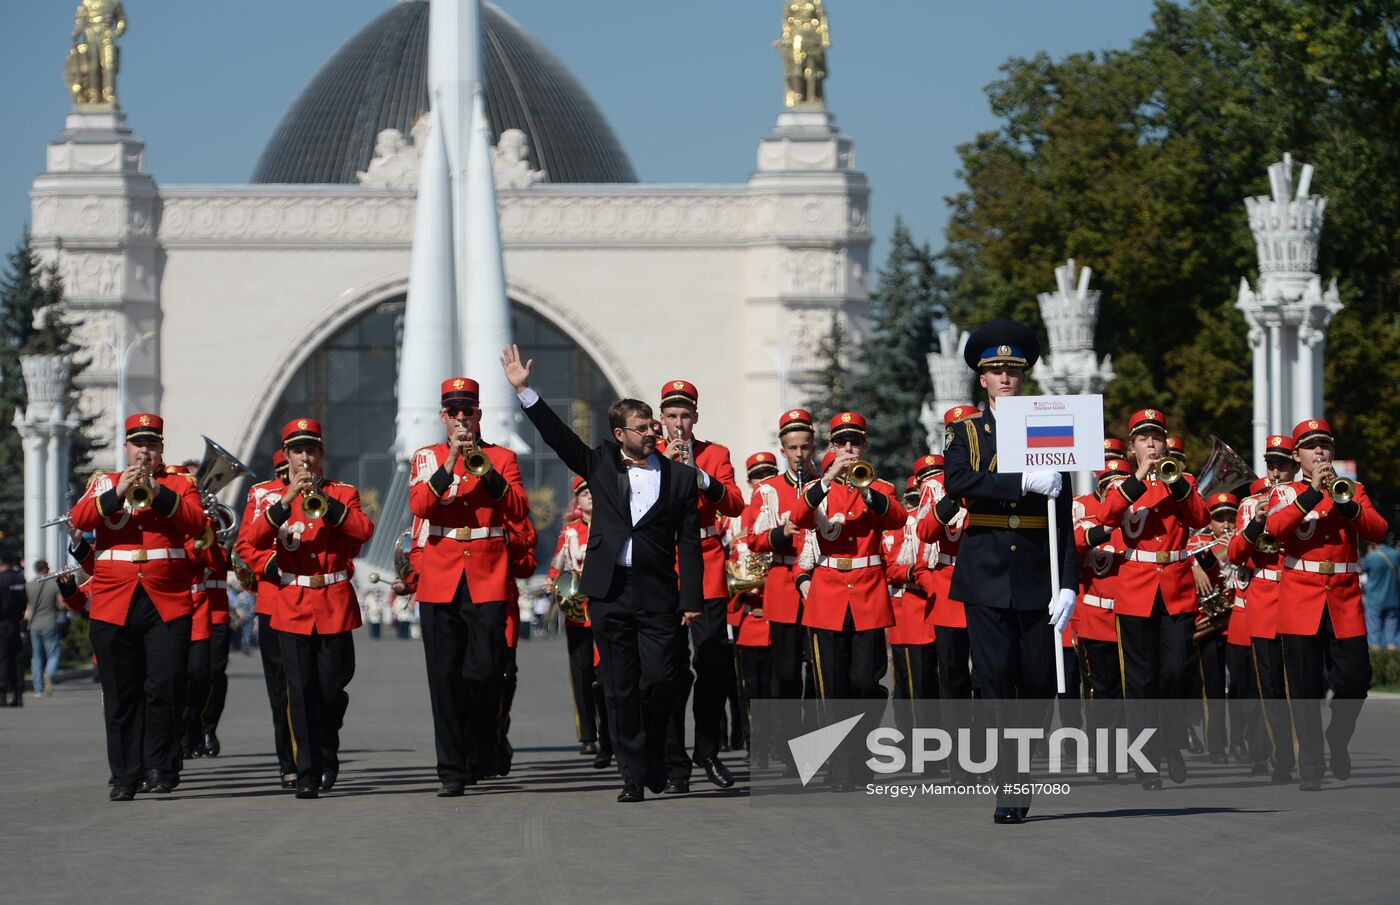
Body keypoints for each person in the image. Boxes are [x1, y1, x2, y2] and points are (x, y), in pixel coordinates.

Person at [502, 344, 702, 804]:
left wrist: (690, 598)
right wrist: (525, 391)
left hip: (657, 594)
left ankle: (653, 753)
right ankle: (632, 775)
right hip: (609, 592)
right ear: (619, 432)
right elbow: (558, 437)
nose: (653, 432)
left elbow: (688, 542)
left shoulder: (680, 478)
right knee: (618, 687)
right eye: (643, 427)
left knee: (662, 679)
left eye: (654, 425)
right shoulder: (601, 464)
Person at [941, 320, 1077, 824]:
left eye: (1013, 370)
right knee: (996, 682)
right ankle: (1010, 783)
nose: (1005, 377)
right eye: (996, 370)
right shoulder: (968, 430)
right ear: (982, 379)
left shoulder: (1050, 424)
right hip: (988, 569)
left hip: (1038, 573)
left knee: (1040, 683)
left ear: (1025, 377)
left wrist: (1068, 582)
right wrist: (1022, 481)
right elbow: (958, 481)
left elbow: (1061, 512)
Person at [69, 413, 208, 800]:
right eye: (138, 444)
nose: (144, 451)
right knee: (121, 692)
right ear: (126, 447)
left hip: (166, 599)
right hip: (114, 600)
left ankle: (161, 766)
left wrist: (159, 494)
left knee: (164, 685)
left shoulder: (180, 483)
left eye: (151, 444)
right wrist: (117, 493)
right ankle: (124, 775)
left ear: (161, 448)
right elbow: (79, 518)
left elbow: (198, 523)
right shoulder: (104, 482)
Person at [407, 377, 530, 797]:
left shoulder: (503, 457)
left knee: (485, 671)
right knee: (444, 677)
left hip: (487, 575)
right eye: (454, 413)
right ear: (443, 416)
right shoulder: (426, 457)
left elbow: (517, 508)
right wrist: (451, 461)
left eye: (469, 412)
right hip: (441, 577)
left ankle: (482, 746)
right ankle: (452, 769)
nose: (462, 420)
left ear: (479, 415)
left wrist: (486, 468)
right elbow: (420, 506)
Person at [247, 418, 374, 799]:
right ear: (286, 456)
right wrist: (285, 502)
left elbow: (363, 531)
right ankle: (307, 772)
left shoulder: (342, 492)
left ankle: (327, 752)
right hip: (292, 604)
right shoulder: (269, 497)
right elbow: (251, 540)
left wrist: (328, 504)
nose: (305, 458)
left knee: (332, 691)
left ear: (321, 455)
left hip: (333, 601)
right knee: (299, 693)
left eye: (311, 450)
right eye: (298, 451)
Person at [1265, 418, 1387, 790]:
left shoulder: (1352, 489)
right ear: (1298, 455)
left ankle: (1337, 738)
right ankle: (1312, 765)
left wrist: (1342, 499)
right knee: (1304, 688)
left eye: (1325, 446)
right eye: (1311, 447)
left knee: (1355, 681)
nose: (1320, 453)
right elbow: (1274, 530)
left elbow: (1378, 529)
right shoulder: (1285, 493)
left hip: (1344, 597)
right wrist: (1312, 494)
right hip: (1300, 596)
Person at [791, 410, 906, 792]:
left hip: (868, 593)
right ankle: (841, 764)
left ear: (865, 445)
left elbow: (897, 519)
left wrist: (865, 489)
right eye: (842, 442)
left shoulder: (880, 487)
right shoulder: (817, 487)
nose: (849, 449)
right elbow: (798, 516)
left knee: (865, 682)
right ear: (831, 446)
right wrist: (826, 478)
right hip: (827, 593)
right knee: (833, 687)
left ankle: (862, 753)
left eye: (855, 442)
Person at [1096, 408, 1207, 790]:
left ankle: (1172, 742)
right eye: (1144, 439)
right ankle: (1147, 761)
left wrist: (1175, 483)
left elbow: (1201, 517)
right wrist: (1140, 478)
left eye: (1157, 438)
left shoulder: (1183, 480)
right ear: (1132, 448)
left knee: (1176, 672)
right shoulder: (1120, 485)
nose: (1152, 445)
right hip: (1136, 588)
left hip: (1175, 586)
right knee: (1141, 681)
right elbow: (1106, 517)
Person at [657, 379, 745, 793]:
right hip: (662, 566)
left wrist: (698, 474)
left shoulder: (715, 453)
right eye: (671, 416)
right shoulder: (648, 455)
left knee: (711, 664)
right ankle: (674, 760)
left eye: (685, 416)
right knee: (669, 670)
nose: (678, 424)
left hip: (707, 561)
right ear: (661, 419)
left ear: (695, 417)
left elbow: (733, 502)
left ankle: (707, 751)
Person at [741, 409, 820, 771]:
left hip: (822, 584)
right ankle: (790, 750)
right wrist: (780, 534)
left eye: (805, 446)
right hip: (784, 584)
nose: (800, 454)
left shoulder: (827, 483)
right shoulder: (769, 490)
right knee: (786, 673)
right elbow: (753, 540)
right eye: (792, 448)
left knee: (817, 673)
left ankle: (816, 745)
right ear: (783, 450)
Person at [1228, 438, 1300, 782]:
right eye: (1271, 465)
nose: (1275, 472)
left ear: (1296, 467)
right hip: (1263, 600)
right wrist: (1256, 523)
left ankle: (1306, 754)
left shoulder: (1306, 496)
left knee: (1301, 684)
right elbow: (1236, 553)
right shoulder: (1249, 504)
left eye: (1282, 466)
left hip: (1300, 595)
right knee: (1270, 686)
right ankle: (1281, 757)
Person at [235, 449, 298, 789]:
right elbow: (247, 546)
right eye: (284, 468)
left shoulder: (320, 490)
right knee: (281, 691)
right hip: (275, 602)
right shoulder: (262, 495)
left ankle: (316, 750)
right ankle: (289, 761)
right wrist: (271, 565)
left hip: (314, 600)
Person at [548, 477, 611, 766]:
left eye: (593, 492)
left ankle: (609, 734)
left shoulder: (610, 525)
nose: (589, 498)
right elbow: (557, 565)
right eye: (584, 494)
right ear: (577, 501)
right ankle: (588, 735)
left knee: (606, 676)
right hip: (577, 613)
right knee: (582, 676)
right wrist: (552, 584)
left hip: (604, 610)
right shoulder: (570, 532)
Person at [26, 560, 63, 697]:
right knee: (53, 654)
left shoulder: (29, 585)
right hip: (50, 623)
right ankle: (49, 673)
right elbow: (61, 604)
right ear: (45, 569)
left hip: (34, 624)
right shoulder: (54, 585)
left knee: (36, 656)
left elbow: (27, 606)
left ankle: (38, 689)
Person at [1361, 540, 1399, 651]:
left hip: (1374, 600)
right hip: (1393, 599)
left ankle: (1377, 663)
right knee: (1392, 637)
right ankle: (1392, 663)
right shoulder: (1396, 554)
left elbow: (1362, 570)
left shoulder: (1371, 557)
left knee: (1374, 636)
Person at [0, 551, 27, 706]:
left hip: (2, 624)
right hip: (16, 623)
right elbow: (24, 602)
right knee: (17, 660)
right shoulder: (19, 579)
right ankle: (18, 694)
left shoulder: (1, 580)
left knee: (2, 659)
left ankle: (2, 695)